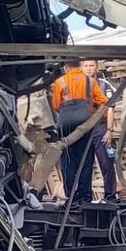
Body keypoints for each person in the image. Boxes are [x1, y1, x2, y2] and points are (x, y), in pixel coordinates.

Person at [51, 59, 107, 206]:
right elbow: (103, 101)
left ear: (66, 66)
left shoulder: (60, 82)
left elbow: (56, 105)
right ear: (79, 65)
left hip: (66, 123)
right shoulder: (90, 81)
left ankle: (71, 197)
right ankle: (85, 196)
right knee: (86, 159)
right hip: (85, 123)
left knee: (68, 159)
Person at [80, 59, 118, 201]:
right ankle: (86, 196)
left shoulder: (104, 85)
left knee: (106, 162)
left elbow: (110, 108)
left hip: (100, 128)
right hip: (83, 129)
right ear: (81, 68)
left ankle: (110, 195)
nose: (89, 69)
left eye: (92, 66)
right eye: (86, 66)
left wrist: (109, 130)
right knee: (85, 164)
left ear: (97, 67)